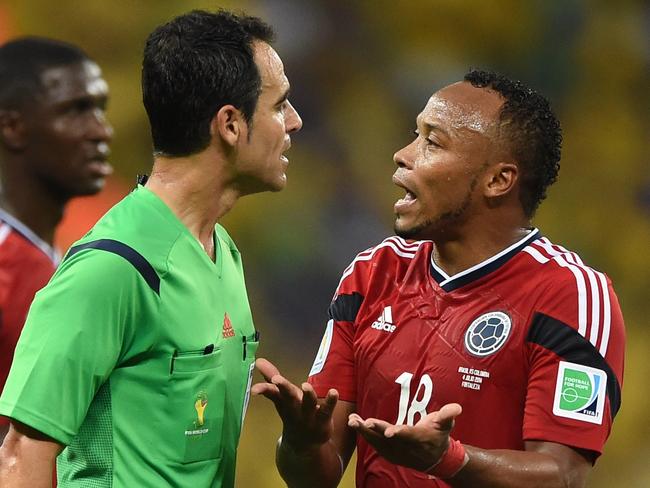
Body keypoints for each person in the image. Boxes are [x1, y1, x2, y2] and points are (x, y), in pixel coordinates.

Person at [253, 70, 625, 487]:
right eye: (415, 134)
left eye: (431, 142)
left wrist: (449, 460)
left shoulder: (570, 293)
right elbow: (315, 476)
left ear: (498, 180)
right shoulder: (372, 272)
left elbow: (563, 475)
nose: (402, 154)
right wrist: (301, 442)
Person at [0, 9, 301, 488]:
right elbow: (20, 458)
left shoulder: (223, 251)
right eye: (279, 105)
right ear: (229, 124)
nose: (295, 122)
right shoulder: (110, 269)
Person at [0, 36, 112, 443]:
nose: (102, 131)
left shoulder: (57, 261)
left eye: (101, 108)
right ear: (13, 126)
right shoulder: (6, 268)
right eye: (76, 110)